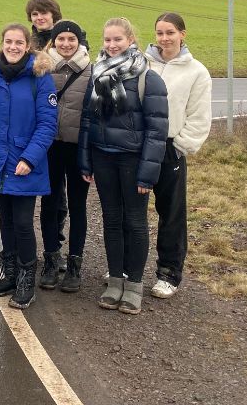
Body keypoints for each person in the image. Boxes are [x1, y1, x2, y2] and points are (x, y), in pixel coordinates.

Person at [79, 17, 168, 316]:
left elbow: (157, 132)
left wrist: (147, 173)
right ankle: (114, 279)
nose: (112, 45)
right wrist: (86, 159)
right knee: (111, 220)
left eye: (118, 39)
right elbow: (88, 121)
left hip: (132, 160)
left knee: (136, 221)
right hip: (103, 157)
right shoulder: (97, 74)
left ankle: (135, 285)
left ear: (131, 40)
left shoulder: (147, 78)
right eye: (107, 40)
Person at [0, 23, 58, 310]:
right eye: (9, 41)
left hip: (23, 162)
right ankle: (10, 272)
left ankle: (26, 279)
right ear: (2, 43)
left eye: (19, 42)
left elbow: (47, 124)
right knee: (4, 221)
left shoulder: (39, 77)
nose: (14, 47)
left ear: (27, 45)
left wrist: (29, 158)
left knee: (21, 223)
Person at [145, 12, 212, 299]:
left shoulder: (196, 71)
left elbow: (199, 116)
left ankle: (169, 273)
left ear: (182, 34)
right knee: (132, 211)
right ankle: (127, 268)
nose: (164, 38)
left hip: (169, 148)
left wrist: (180, 145)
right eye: (159, 33)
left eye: (170, 32)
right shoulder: (142, 63)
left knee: (170, 212)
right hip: (138, 145)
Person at [39, 20, 93, 292]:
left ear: (80, 42)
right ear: (53, 41)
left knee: (78, 205)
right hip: (49, 147)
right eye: (61, 39)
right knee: (49, 204)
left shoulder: (91, 71)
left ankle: (75, 265)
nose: (66, 44)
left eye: (72, 39)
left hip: (78, 147)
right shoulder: (43, 69)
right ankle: (50, 259)